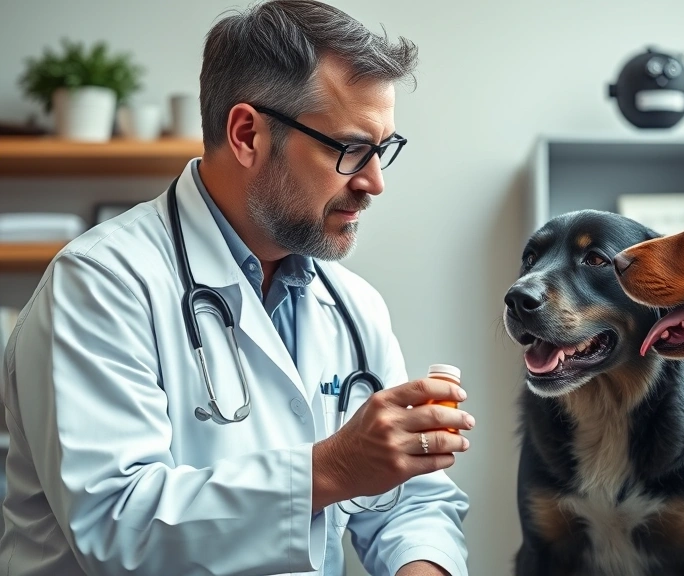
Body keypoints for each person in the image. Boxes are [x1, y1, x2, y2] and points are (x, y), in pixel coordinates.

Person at [0, 2, 473, 575]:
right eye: (349, 149)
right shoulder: (101, 283)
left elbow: (409, 503)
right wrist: (334, 468)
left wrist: (421, 562)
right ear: (247, 134)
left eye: (383, 150)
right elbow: (117, 526)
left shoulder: (353, 306)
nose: (374, 182)